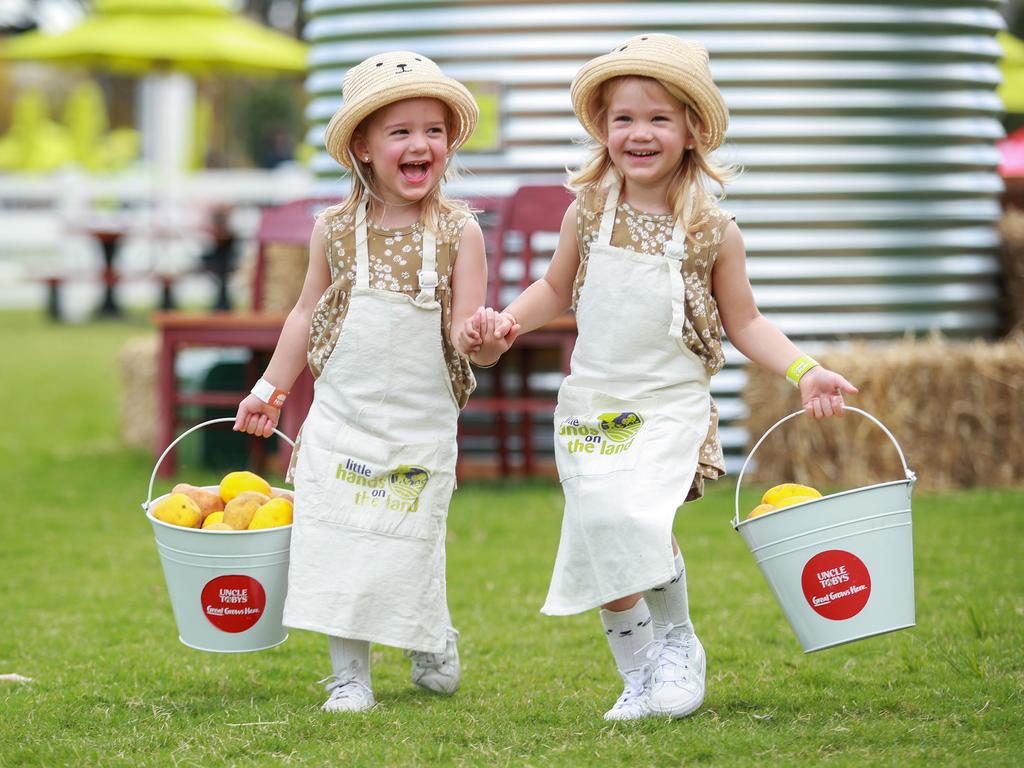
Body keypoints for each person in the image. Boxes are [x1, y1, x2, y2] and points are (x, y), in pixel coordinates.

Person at [462, 34, 857, 721]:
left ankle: (677, 645)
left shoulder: (713, 231)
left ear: (692, 130)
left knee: (635, 520)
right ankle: (638, 672)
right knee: (600, 530)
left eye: (657, 119)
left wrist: (805, 369)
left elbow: (746, 322)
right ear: (603, 130)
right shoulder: (586, 213)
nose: (638, 134)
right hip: (593, 401)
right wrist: (506, 324)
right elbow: (555, 290)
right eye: (623, 119)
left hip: (669, 403)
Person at [234, 51, 486, 713]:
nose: (419, 144)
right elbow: (303, 313)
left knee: (409, 535)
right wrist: (271, 389)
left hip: (421, 414)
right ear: (363, 147)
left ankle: (428, 631)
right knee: (337, 533)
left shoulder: (461, 233)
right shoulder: (335, 230)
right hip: (344, 410)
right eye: (400, 131)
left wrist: (483, 336)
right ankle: (350, 677)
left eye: (433, 130)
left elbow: (464, 331)